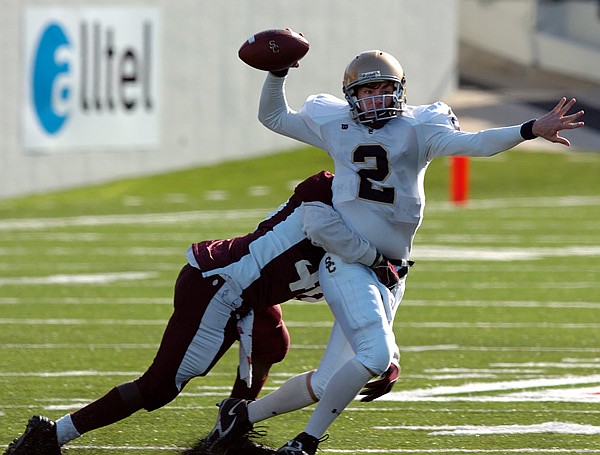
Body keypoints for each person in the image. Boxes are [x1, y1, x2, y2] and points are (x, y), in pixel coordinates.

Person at [208, 50, 585, 454]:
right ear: (350, 96)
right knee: (373, 355)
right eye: (365, 90)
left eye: (383, 89)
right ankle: (305, 443)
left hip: (392, 271)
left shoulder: (419, 127)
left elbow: (475, 142)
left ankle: (240, 417)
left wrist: (529, 128)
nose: (374, 98)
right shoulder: (334, 122)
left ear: (399, 91)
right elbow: (275, 117)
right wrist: (277, 73)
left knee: (327, 381)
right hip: (348, 260)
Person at [4, 170, 396, 455]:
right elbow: (326, 232)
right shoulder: (327, 194)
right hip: (220, 287)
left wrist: (385, 349)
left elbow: (363, 297)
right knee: (159, 386)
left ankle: (231, 427)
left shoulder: (370, 223)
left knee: (273, 344)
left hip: (246, 294)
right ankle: (52, 435)